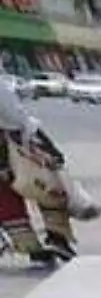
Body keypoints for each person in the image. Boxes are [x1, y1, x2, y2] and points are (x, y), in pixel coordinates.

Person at [0, 76, 87, 264]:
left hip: (15, 139)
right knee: (49, 183)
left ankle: (32, 246)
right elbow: (13, 115)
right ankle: (56, 238)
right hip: (16, 138)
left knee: (8, 195)